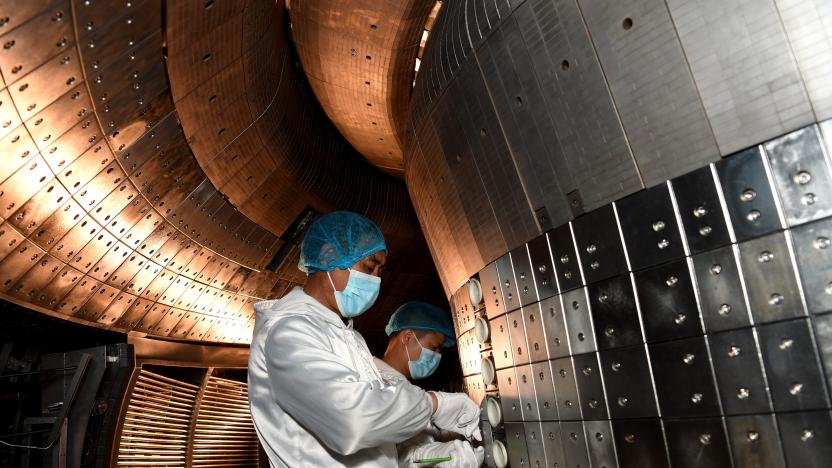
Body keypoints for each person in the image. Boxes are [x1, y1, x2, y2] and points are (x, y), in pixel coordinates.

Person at [248, 211, 481, 467]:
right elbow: (353, 420)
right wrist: (434, 405)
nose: (375, 280)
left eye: (380, 271)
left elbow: (380, 444)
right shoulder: (288, 332)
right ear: (328, 256)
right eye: (369, 267)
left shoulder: (346, 334)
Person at [376, 302, 485, 468]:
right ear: (407, 336)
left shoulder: (407, 388)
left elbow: (419, 437)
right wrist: (439, 456)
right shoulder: (374, 384)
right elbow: (391, 458)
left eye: (440, 350)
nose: (437, 356)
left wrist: (450, 435)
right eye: (434, 347)